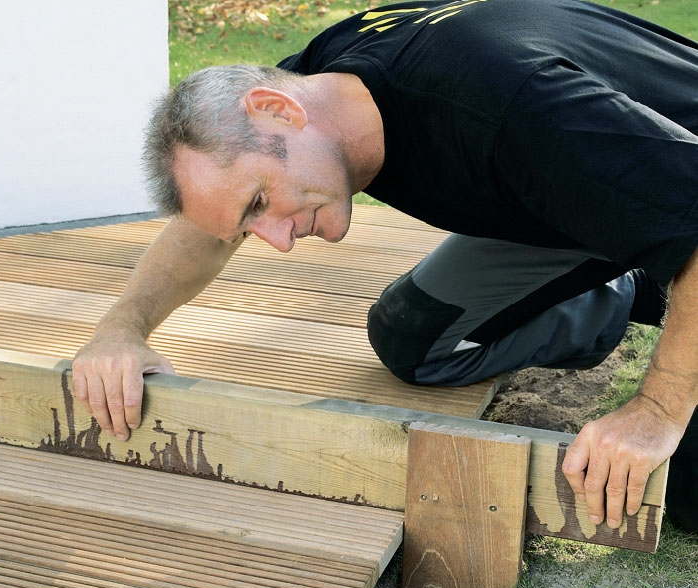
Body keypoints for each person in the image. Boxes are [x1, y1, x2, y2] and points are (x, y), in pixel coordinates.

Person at [72, 0, 698, 533]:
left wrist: (658, 410)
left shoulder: (510, 102)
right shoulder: (322, 82)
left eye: (260, 203)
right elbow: (208, 223)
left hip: (663, 180)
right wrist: (122, 327)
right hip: (587, 190)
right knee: (415, 339)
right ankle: (644, 282)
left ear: (279, 112)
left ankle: (675, 268)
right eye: (249, 223)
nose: (277, 242)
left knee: (686, 486)